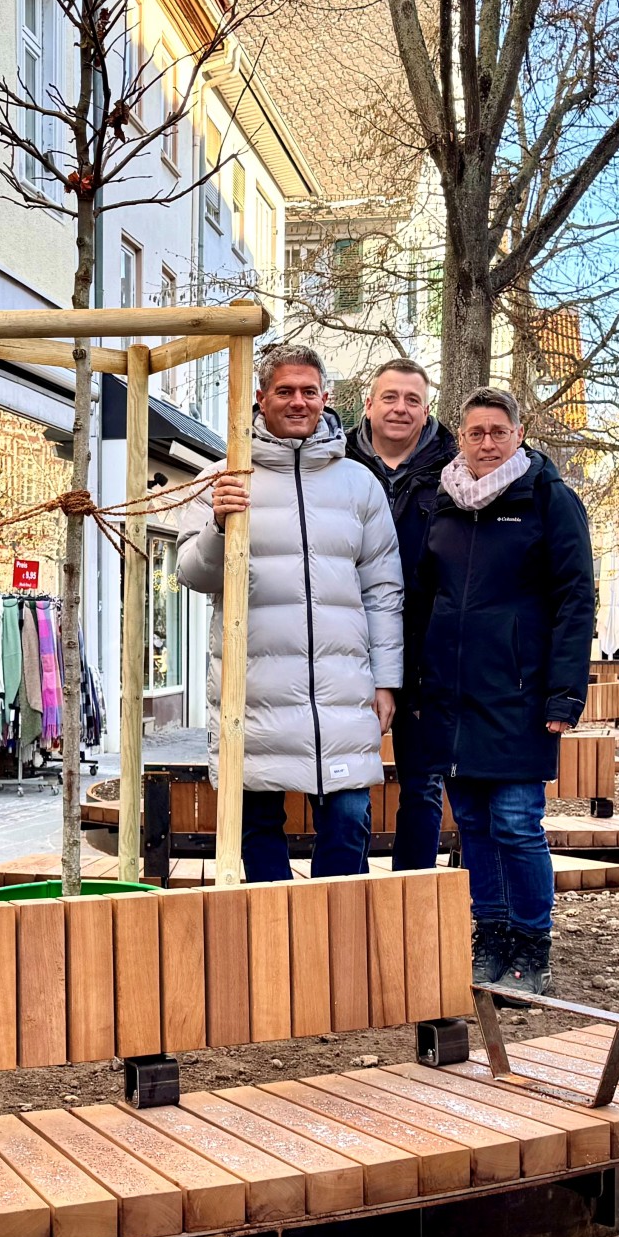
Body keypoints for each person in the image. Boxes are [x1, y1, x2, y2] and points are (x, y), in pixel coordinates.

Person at [176, 344, 404, 884]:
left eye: (308, 391)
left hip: (341, 688)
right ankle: (272, 941)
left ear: (326, 398)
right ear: (260, 398)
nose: (298, 402)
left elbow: (383, 590)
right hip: (253, 687)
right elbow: (191, 573)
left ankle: (332, 936)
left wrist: (387, 680)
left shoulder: (358, 484)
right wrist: (218, 524)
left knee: (349, 821)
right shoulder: (223, 478)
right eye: (284, 391)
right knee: (256, 825)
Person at [414, 387, 594, 998]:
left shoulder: (548, 500)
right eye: (475, 433)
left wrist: (565, 694)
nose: (486, 443)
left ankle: (530, 943)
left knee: (518, 824)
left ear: (518, 435)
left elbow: (576, 600)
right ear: (459, 437)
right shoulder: (442, 502)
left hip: (519, 695)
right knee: (472, 824)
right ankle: (488, 937)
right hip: (454, 697)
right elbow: (422, 601)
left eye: (498, 431)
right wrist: (417, 683)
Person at [345, 357, 458, 870]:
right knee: (346, 786)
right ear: (368, 405)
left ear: (427, 408)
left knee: (422, 784)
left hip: (427, 653)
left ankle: (408, 900)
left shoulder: (456, 473)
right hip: (341, 646)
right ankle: (350, 898)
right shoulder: (333, 463)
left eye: (412, 399)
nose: (400, 408)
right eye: (389, 397)